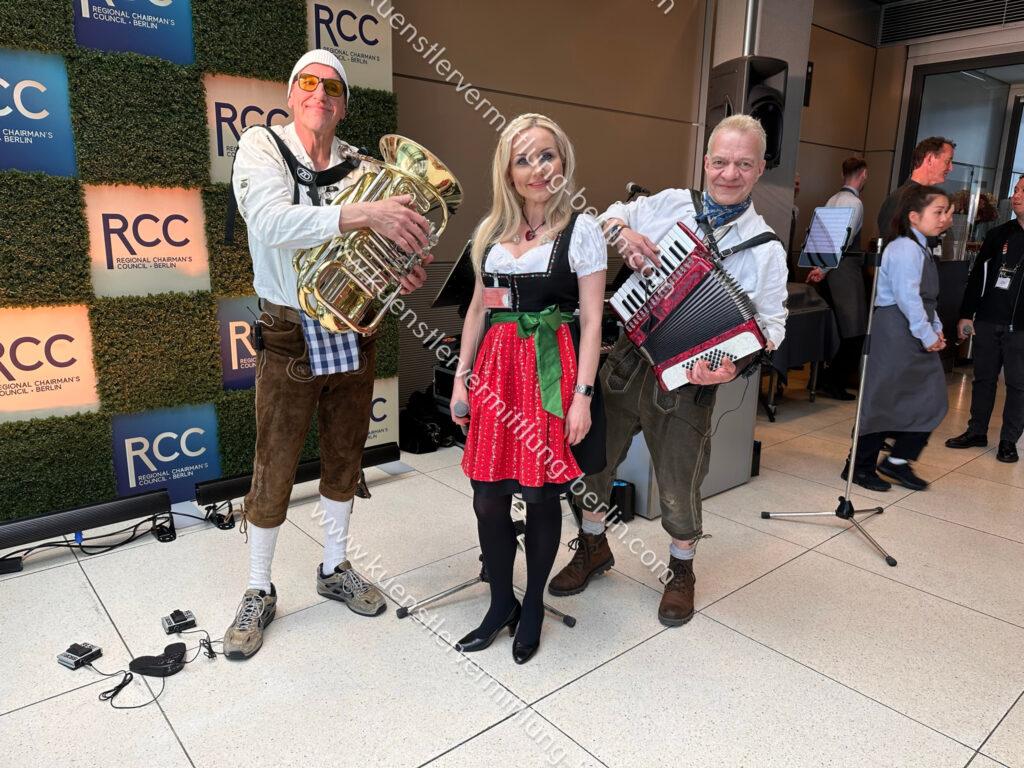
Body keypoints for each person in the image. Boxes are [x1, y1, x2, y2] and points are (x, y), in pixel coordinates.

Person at [223, 50, 434, 660]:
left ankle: (335, 566)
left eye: (333, 87)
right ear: (292, 96)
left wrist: (401, 269)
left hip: (354, 325)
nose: (321, 94)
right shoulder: (262, 146)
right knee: (276, 463)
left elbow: (376, 246)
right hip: (287, 330)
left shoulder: (360, 165)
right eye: (308, 84)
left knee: (345, 455)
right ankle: (258, 589)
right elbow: (266, 221)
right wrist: (363, 213)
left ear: (343, 103)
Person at [548, 114, 788, 628]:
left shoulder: (765, 248)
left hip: (689, 381)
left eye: (743, 164)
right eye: (720, 162)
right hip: (627, 357)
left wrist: (733, 367)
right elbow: (600, 218)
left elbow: (771, 325)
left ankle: (681, 571)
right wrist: (626, 232)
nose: (729, 173)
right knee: (592, 462)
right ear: (705, 163)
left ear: (759, 169)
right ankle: (592, 547)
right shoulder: (670, 204)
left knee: (680, 483)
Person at [450, 114, 607, 664]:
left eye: (547, 155)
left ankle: (533, 605)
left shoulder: (581, 230)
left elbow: (591, 320)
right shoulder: (489, 231)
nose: (537, 168)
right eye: (524, 159)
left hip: (550, 372)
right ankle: (500, 603)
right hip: (495, 371)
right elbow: (475, 309)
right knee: (488, 498)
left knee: (540, 496)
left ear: (563, 162)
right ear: (508, 172)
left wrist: (582, 394)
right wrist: (461, 376)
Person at [844, 185, 953, 491]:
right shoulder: (905, 248)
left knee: (928, 399)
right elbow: (908, 298)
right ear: (914, 217)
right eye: (939, 212)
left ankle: (896, 462)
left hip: (910, 327)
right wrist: (926, 334)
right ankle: (859, 467)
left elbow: (925, 299)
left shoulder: (921, 246)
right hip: (896, 329)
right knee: (882, 400)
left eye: (948, 212)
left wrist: (936, 326)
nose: (945, 218)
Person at [945, 176, 1024, 463]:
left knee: (1018, 385)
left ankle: (1008, 441)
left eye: (1023, 192)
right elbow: (978, 278)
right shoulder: (998, 235)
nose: (1016, 196)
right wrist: (967, 314)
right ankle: (976, 431)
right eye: (1016, 190)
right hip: (990, 319)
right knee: (984, 379)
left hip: (1021, 328)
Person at [807, 156, 869, 399]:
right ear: (863, 174)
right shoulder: (854, 203)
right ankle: (834, 382)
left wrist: (818, 268)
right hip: (843, 272)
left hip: (826, 270)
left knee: (835, 328)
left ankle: (823, 378)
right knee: (853, 330)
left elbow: (823, 237)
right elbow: (843, 239)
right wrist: (824, 268)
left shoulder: (832, 200)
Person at [877, 136, 955, 257]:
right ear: (930, 159)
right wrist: (940, 228)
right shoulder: (901, 198)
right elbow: (896, 247)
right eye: (948, 161)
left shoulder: (923, 197)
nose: (951, 167)